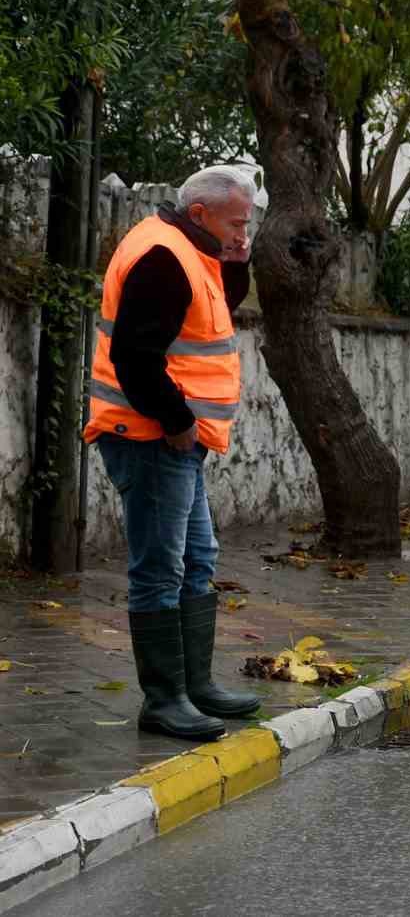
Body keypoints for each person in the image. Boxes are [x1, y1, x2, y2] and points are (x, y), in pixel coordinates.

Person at [84, 165, 261, 741]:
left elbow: (210, 313)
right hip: (152, 436)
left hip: (175, 439)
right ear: (200, 214)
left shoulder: (187, 247)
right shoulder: (162, 255)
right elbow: (137, 357)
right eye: (237, 223)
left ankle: (195, 686)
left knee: (198, 558)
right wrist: (179, 420)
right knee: (160, 569)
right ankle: (164, 700)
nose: (244, 232)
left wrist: (237, 260)